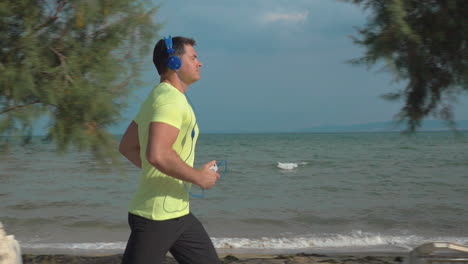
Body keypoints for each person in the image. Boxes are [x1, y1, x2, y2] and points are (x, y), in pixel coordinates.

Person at [119, 36, 221, 264]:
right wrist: (198, 178)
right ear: (174, 62)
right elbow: (158, 155)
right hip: (156, 216)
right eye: (193, 57)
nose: (200, 62)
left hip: (178, 212)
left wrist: (165, 170)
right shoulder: (170, 101)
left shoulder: (157, 96)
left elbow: (127, 146)